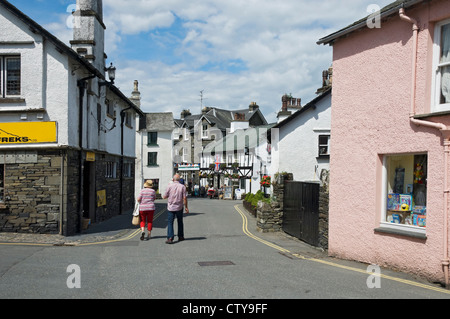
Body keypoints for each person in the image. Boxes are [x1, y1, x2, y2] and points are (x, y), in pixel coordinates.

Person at [163, 174, 189, 244]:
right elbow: (184, 198)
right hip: (179, 207)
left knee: (170, 222)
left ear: (173, 179)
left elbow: (164, 196)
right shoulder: (182, 187)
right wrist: (186, 207)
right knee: (180, 221)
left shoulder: (169, 186)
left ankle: (170, 237)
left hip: (171, 207)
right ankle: (180, 236)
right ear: (179, 180)